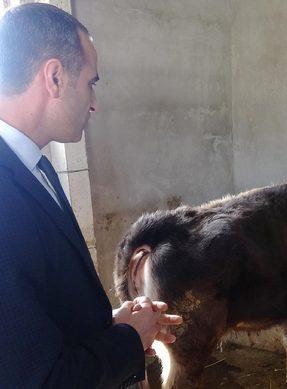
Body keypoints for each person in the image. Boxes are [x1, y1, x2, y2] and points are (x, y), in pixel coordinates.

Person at [0, 4, 181, 388]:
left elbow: (35, 325)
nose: (95, 101)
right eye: (90, 82)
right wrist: (129, 339)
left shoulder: (34, 167)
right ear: (54, 77)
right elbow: (41, 380)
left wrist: (119, 324)